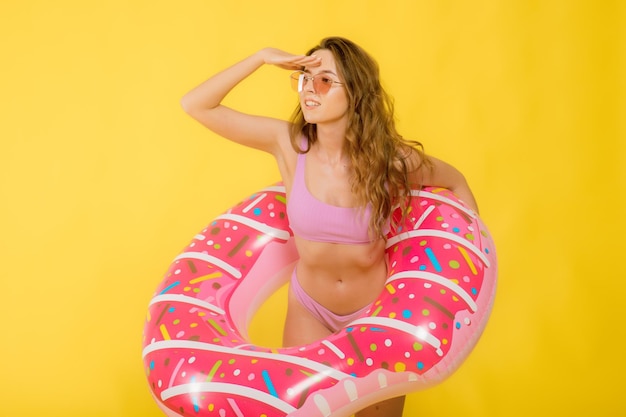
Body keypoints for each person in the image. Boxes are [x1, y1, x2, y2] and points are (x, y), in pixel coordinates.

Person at [181, 36, 478, 417]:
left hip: (376, 315)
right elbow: (196, 104)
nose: (308, 90)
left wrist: (471, 251)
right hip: (311, 311)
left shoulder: (390, 160)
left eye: (323, 81)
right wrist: (260, 58)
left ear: (354, 92)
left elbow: (456, 182)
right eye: (304, 78)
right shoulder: (289, 146)